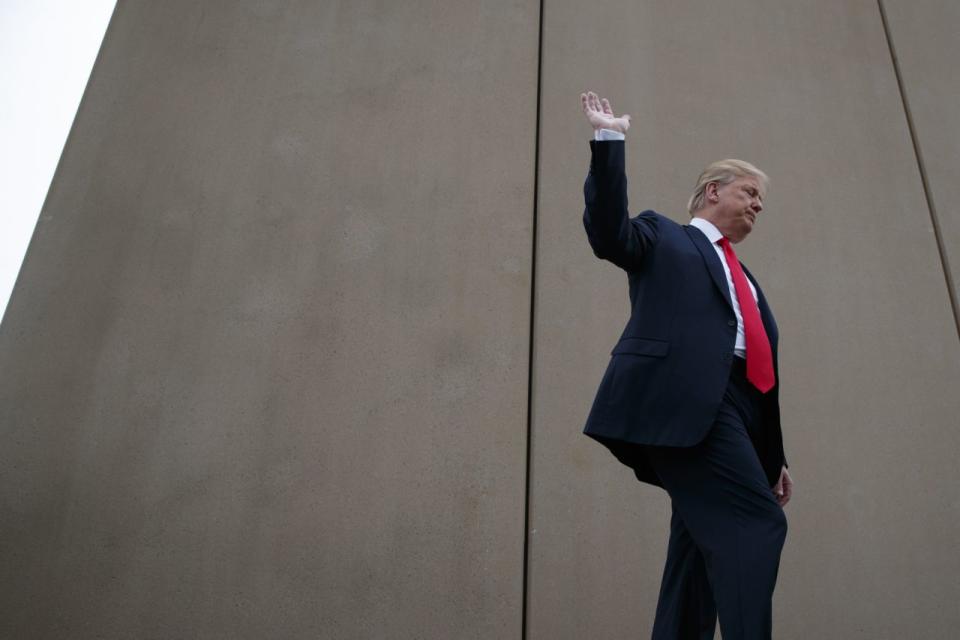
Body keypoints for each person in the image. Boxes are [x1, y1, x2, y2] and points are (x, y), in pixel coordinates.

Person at [579, 90, 794, 640]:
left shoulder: (747, 279)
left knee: (695, 556)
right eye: (750, 192)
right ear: (712, 190)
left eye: (761, 200)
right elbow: (609, 233)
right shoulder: (665, 236)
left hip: (736, 416)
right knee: (755, 523)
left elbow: (758, 373)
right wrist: (609, 139)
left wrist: (773, 458)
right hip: (687, 402)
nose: (758, 205)